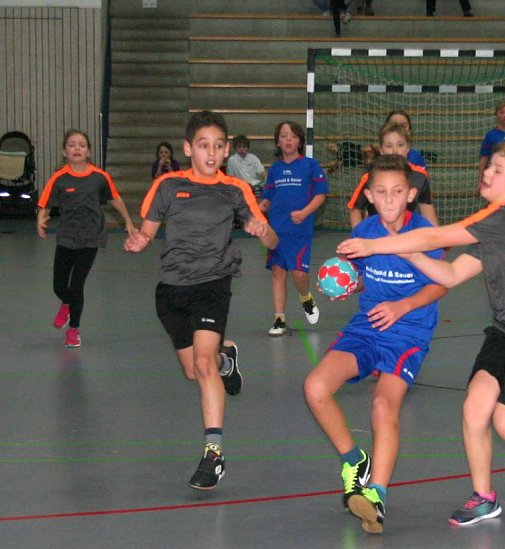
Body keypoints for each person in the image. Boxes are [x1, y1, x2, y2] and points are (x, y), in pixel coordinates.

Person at [336, 142, 505, 527]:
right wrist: (407, 255)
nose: (487, 173)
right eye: (489, 166)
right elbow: (449, 275)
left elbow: (434, 238)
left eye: (497, 169)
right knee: (474, 410)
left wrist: (374, 245)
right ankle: (484, 497)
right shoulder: (493, 230)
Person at [124, 111, 279, 489]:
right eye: (204, 145)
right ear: (188, 148)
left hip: (213, 284)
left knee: (203, 366)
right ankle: (228, 358)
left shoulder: (234, 189)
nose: (212, 153)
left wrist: (263, 230)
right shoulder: (167, 185)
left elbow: (272, 241)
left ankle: (213, 454)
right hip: (172, 289)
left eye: (219, 146)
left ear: (226, 151)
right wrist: (138, 241)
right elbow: (146, 232)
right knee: (194, 370)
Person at [305, 154, 446, 535]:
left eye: (397, 192)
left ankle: (377, 495)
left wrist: (403, 305)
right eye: (380, 192)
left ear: (411, 194)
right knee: (315, 387)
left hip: (409, 332)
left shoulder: (426, 233)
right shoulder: (364, 232)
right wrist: (350, 283)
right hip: (366, 327)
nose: (389, 200)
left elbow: (441, 283)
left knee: (383, 404)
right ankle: (354, 460)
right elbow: (365, 280)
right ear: (368, 195)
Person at [37, 129, 136, 349]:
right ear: (65, 151)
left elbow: (115, 199)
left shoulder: (99, 177)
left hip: (91, 237)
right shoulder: (59, 178)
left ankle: (74, 330)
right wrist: (41, 220)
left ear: (88, 151)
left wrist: (127, 221)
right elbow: (46, 202)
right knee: (59, 285)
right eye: (72, 145)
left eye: (82, 145)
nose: (77, 148)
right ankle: (66, 304)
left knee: (77, 285)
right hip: (66, 237)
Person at [261, 121, 328, 336]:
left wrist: (304, 213)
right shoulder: (275, 169)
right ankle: (279, 319)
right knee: (278, 273)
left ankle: (305, 298)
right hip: (277, 231)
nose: (288, 139)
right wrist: (259, 207)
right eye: (283, 136)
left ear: (299, 140)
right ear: (278, 142)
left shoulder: (310, 165)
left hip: (299, 231)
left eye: (292, 136)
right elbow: (268, 197)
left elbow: (320, 194)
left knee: (299, 274)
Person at [348, 122, 438, 228]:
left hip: (410, 236)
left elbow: (428, 212)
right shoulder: (371, 176)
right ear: (381, 150)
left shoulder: (420, 176)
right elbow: (355, 210)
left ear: (408, 148)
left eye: (400, 145)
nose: (395, 151)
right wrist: (359, 237)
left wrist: (437, 239)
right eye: (389, 146)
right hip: (379, 236)